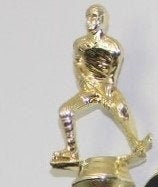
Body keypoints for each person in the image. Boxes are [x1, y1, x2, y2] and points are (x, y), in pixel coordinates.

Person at [51, 5, 151, 168]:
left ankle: (136, 144)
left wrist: (108, 90)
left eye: (94, 17)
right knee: (65, 111)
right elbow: (78, 65)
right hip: (89, 91)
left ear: (102, 21)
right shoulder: (80, 44)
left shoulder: (113, 47)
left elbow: (114, 71)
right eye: (88, 17)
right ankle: (71, 151)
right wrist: (86, 85)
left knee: (122, 111)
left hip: (106, 90)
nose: (90, 21)